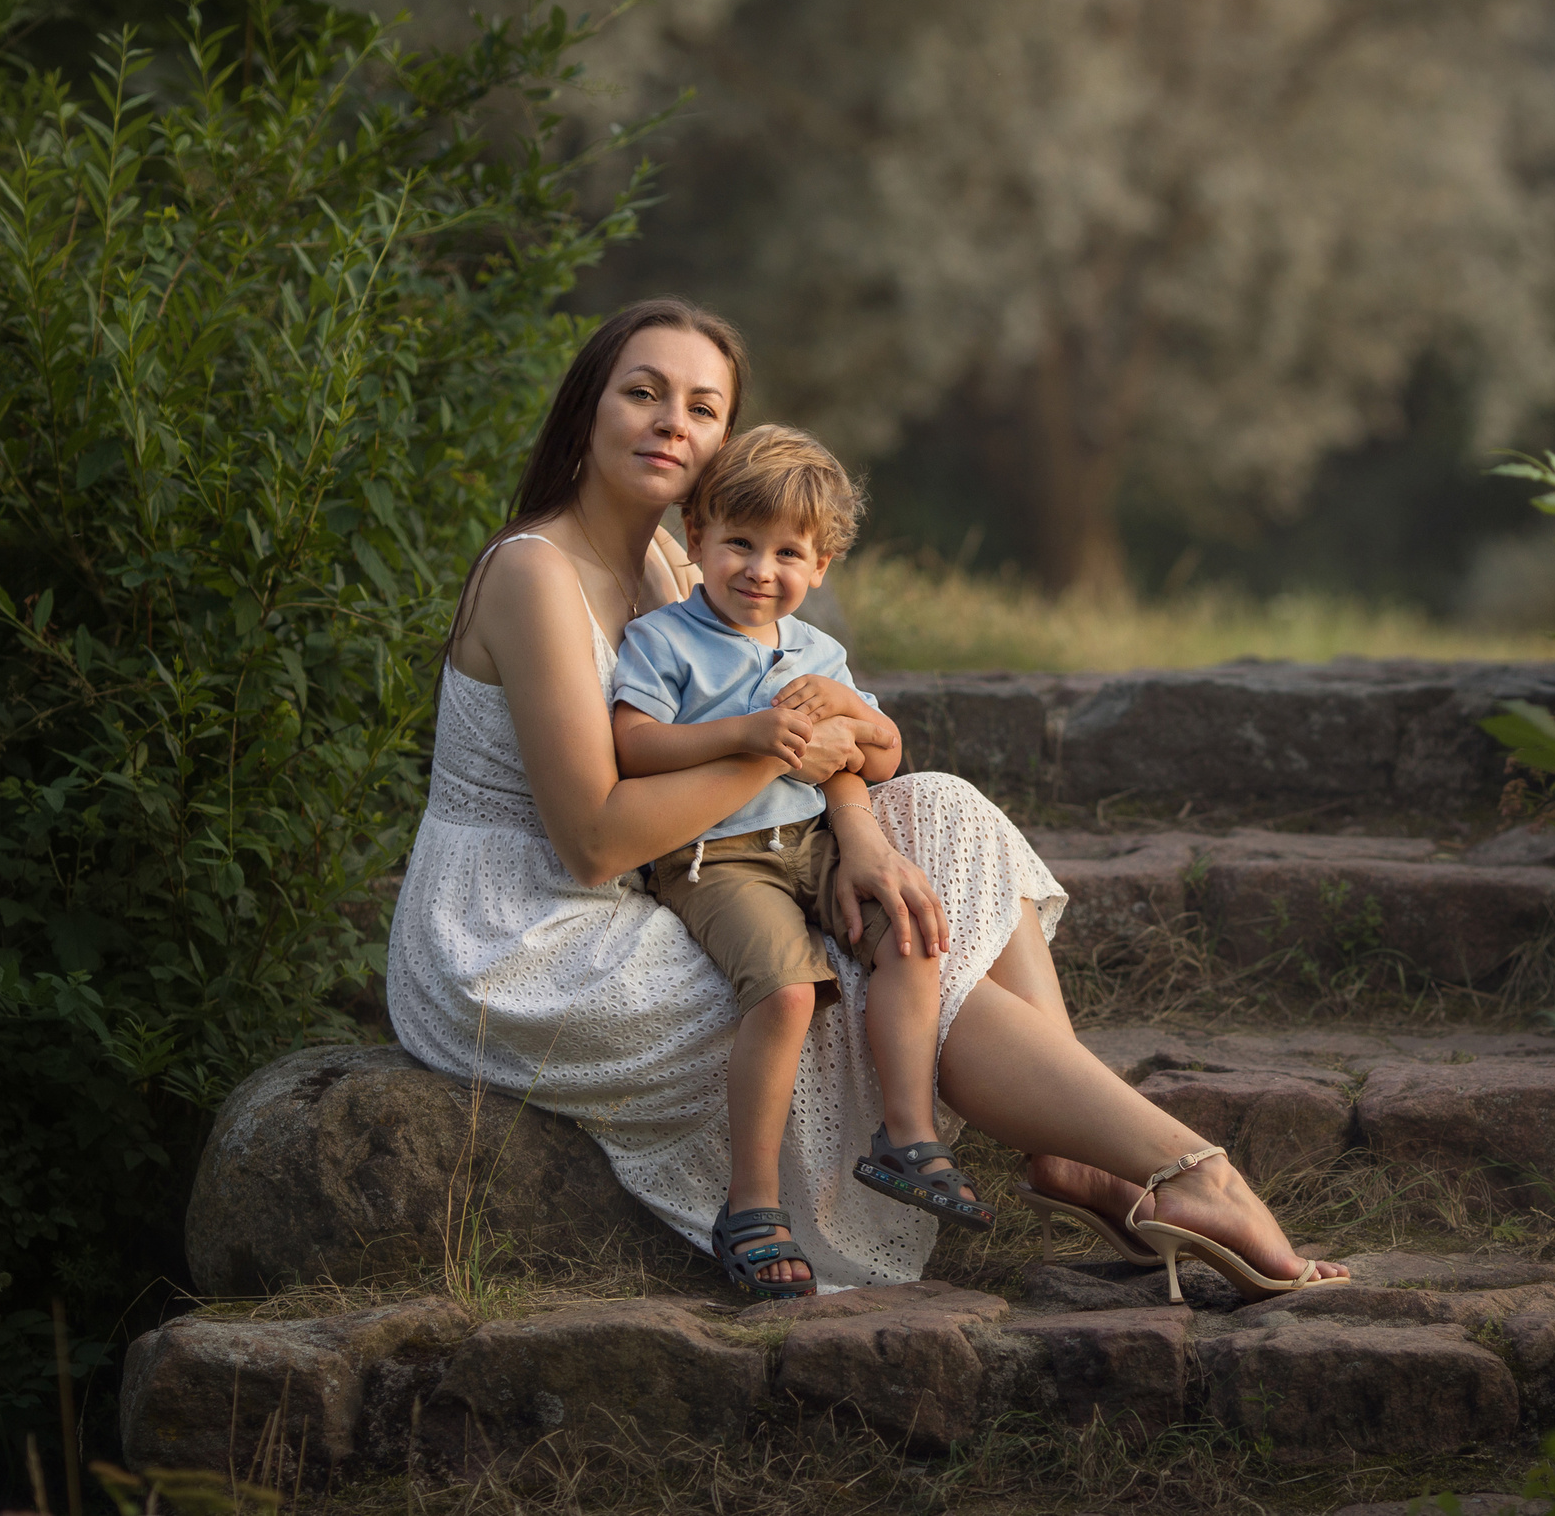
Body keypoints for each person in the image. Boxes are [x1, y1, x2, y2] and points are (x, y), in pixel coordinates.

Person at [387, 296, 1347, 1303]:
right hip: (530, 928)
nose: (673, 421)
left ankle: (1083, 1156)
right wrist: (777, 751)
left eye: (703, 408)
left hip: (693, 864)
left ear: (723, 442)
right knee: (849, 966)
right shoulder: (537, 574)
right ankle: (1182, 1169)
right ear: (588, 408)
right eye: (643, 393)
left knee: (934, 818)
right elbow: (592, 844)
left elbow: (836, 741)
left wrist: (857, 832)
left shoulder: (679, 563)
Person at [613, 424, 990, 1298]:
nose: (760, 569)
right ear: (697, 535)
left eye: (789, 553)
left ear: (820, 568)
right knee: (787, 993)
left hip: (811, 842)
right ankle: (750, 1205)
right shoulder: (664, 640)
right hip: (719, 856)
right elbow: (632, 747)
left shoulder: (819, 653)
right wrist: (747, 733)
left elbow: (885, 755)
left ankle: (906, 1135)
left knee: (904, 925)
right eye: (738, 542)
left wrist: (854, 716)